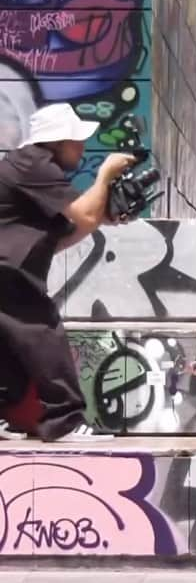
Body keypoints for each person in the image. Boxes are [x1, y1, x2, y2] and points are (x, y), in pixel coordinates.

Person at [0, 102, 134, 442]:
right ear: (56, 142)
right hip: (8, 273)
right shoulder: (35, 164)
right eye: (76, 141)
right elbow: (83, 217)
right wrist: (105, 174)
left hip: (9, 269)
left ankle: (11, 415)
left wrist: (102, 216)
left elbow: (61, 235)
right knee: (45, 335)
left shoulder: (30, 169)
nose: (82, 148)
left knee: (12, 352)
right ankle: (66, 420)